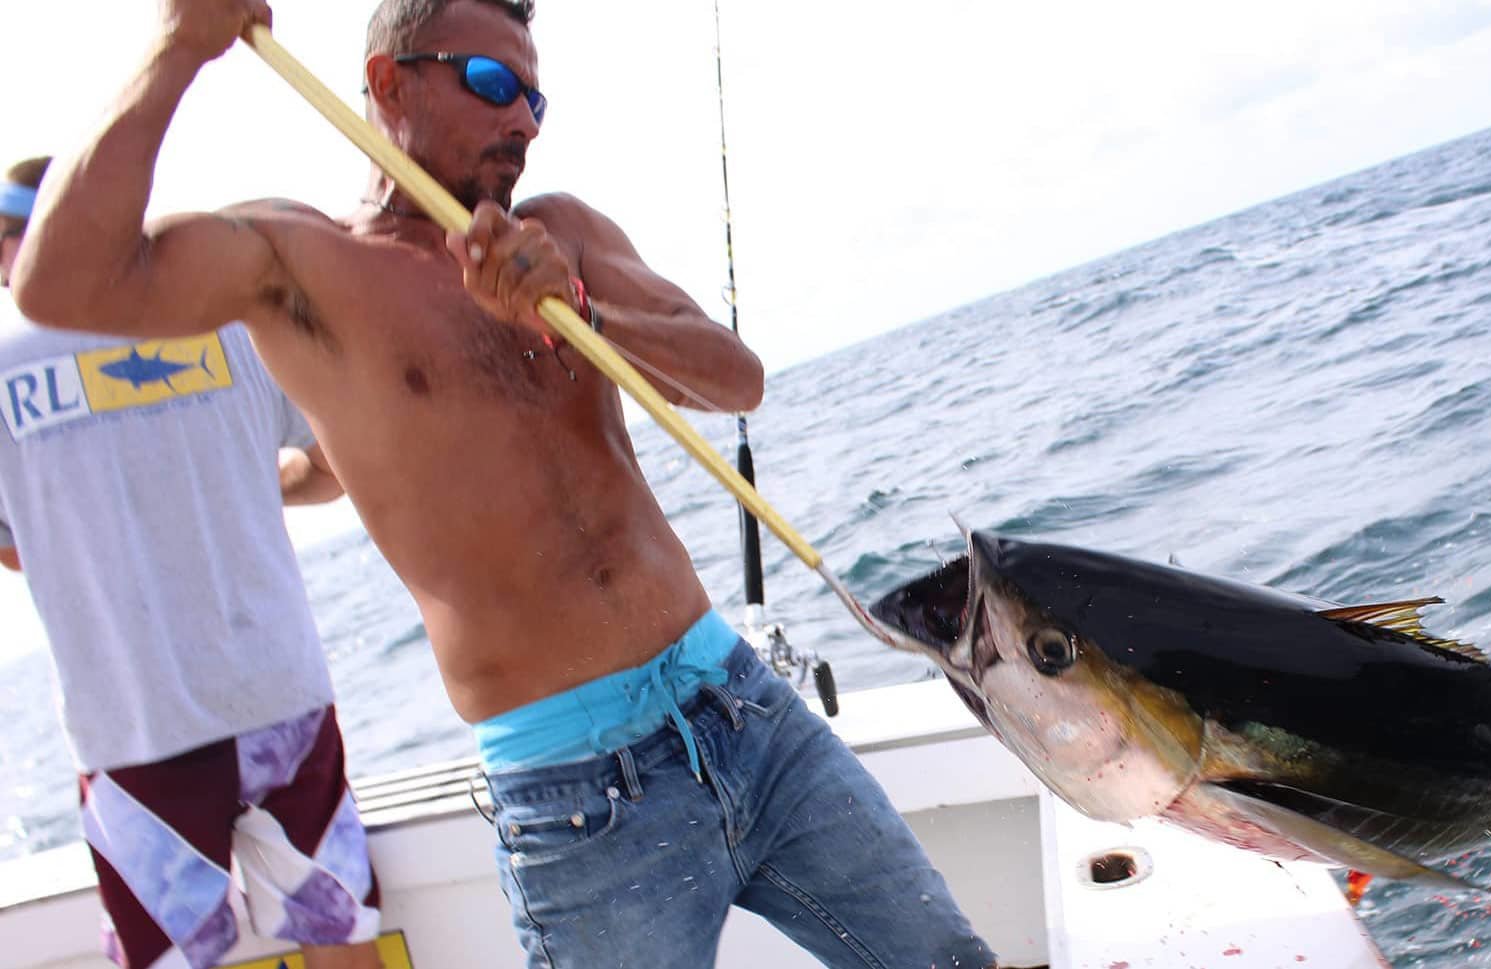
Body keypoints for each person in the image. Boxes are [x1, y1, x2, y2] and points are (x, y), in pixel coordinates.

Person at [14, 1, 998, 967]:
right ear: (388, 82)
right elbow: (60, 282)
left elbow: (733, 378)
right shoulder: (298, 262)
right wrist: (178, 46)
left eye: (534, 96)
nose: (521, 117)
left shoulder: (559, 232)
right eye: (491, 83)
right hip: (579, 794)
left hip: (745, 715)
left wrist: (576, 311)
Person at [0, 153, 382, 969]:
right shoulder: (227, 323)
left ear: (13, 244)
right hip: (283, 697)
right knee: (336, 934)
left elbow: (13, 546)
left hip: (137, 727)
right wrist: (245, 488)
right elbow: (339, 465)